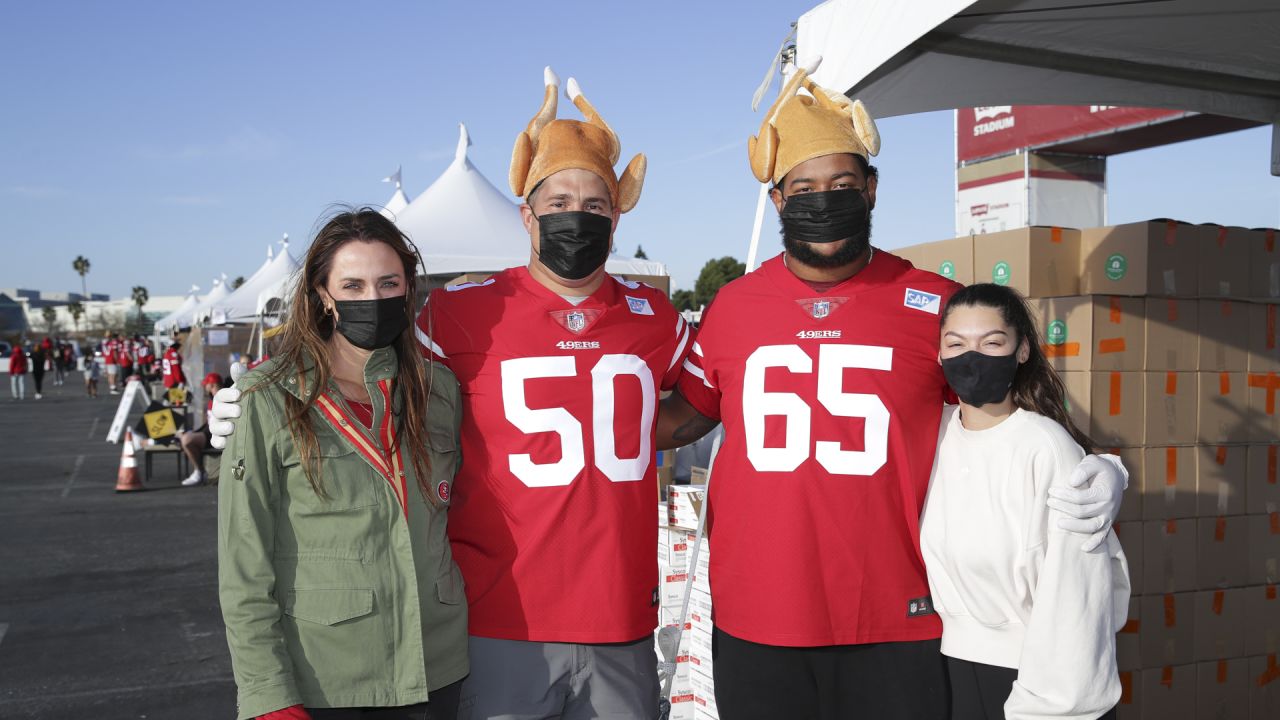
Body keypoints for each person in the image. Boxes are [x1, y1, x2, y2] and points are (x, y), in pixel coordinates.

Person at [655, 61, 1127, 719]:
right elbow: (685, 418)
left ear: (872, 189)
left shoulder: (933, 303)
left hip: (897, 612)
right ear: (777, 200)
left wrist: (1098, 465)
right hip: (758, 612)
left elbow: (1010, 412)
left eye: (844, 183)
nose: (826, 198)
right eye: (806, 186)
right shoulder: (732, 306)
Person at [218, 209, 468, 720]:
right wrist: (267, 693)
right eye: (352, 285)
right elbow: (244, 565)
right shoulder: (268, 398)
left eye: (388, 282)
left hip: (437, 665)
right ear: (323, 296)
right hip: (327, 677)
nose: (373, 299)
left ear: (408, 289)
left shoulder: (438, 389)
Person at [922, 284, 1129, 720]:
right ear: (938, 354)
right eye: (956, 343)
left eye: (992, 342)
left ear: (1021, 351)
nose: (971, 356)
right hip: (948, 669)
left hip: (1034, 679)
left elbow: (1077, 595)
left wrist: (1049, 705)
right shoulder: (934, 435)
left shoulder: (1046, 447)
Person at [178, 372, 225, 487]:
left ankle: (199, 472)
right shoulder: (212, 399)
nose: (205, 387)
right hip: (210, 432)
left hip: (218, 436)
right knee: (182, 436)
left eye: (206, 385)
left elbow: (219, 424)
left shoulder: (223, 397)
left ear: (212, 385)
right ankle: (199, 471)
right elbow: (209, 423)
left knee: (187, 440)